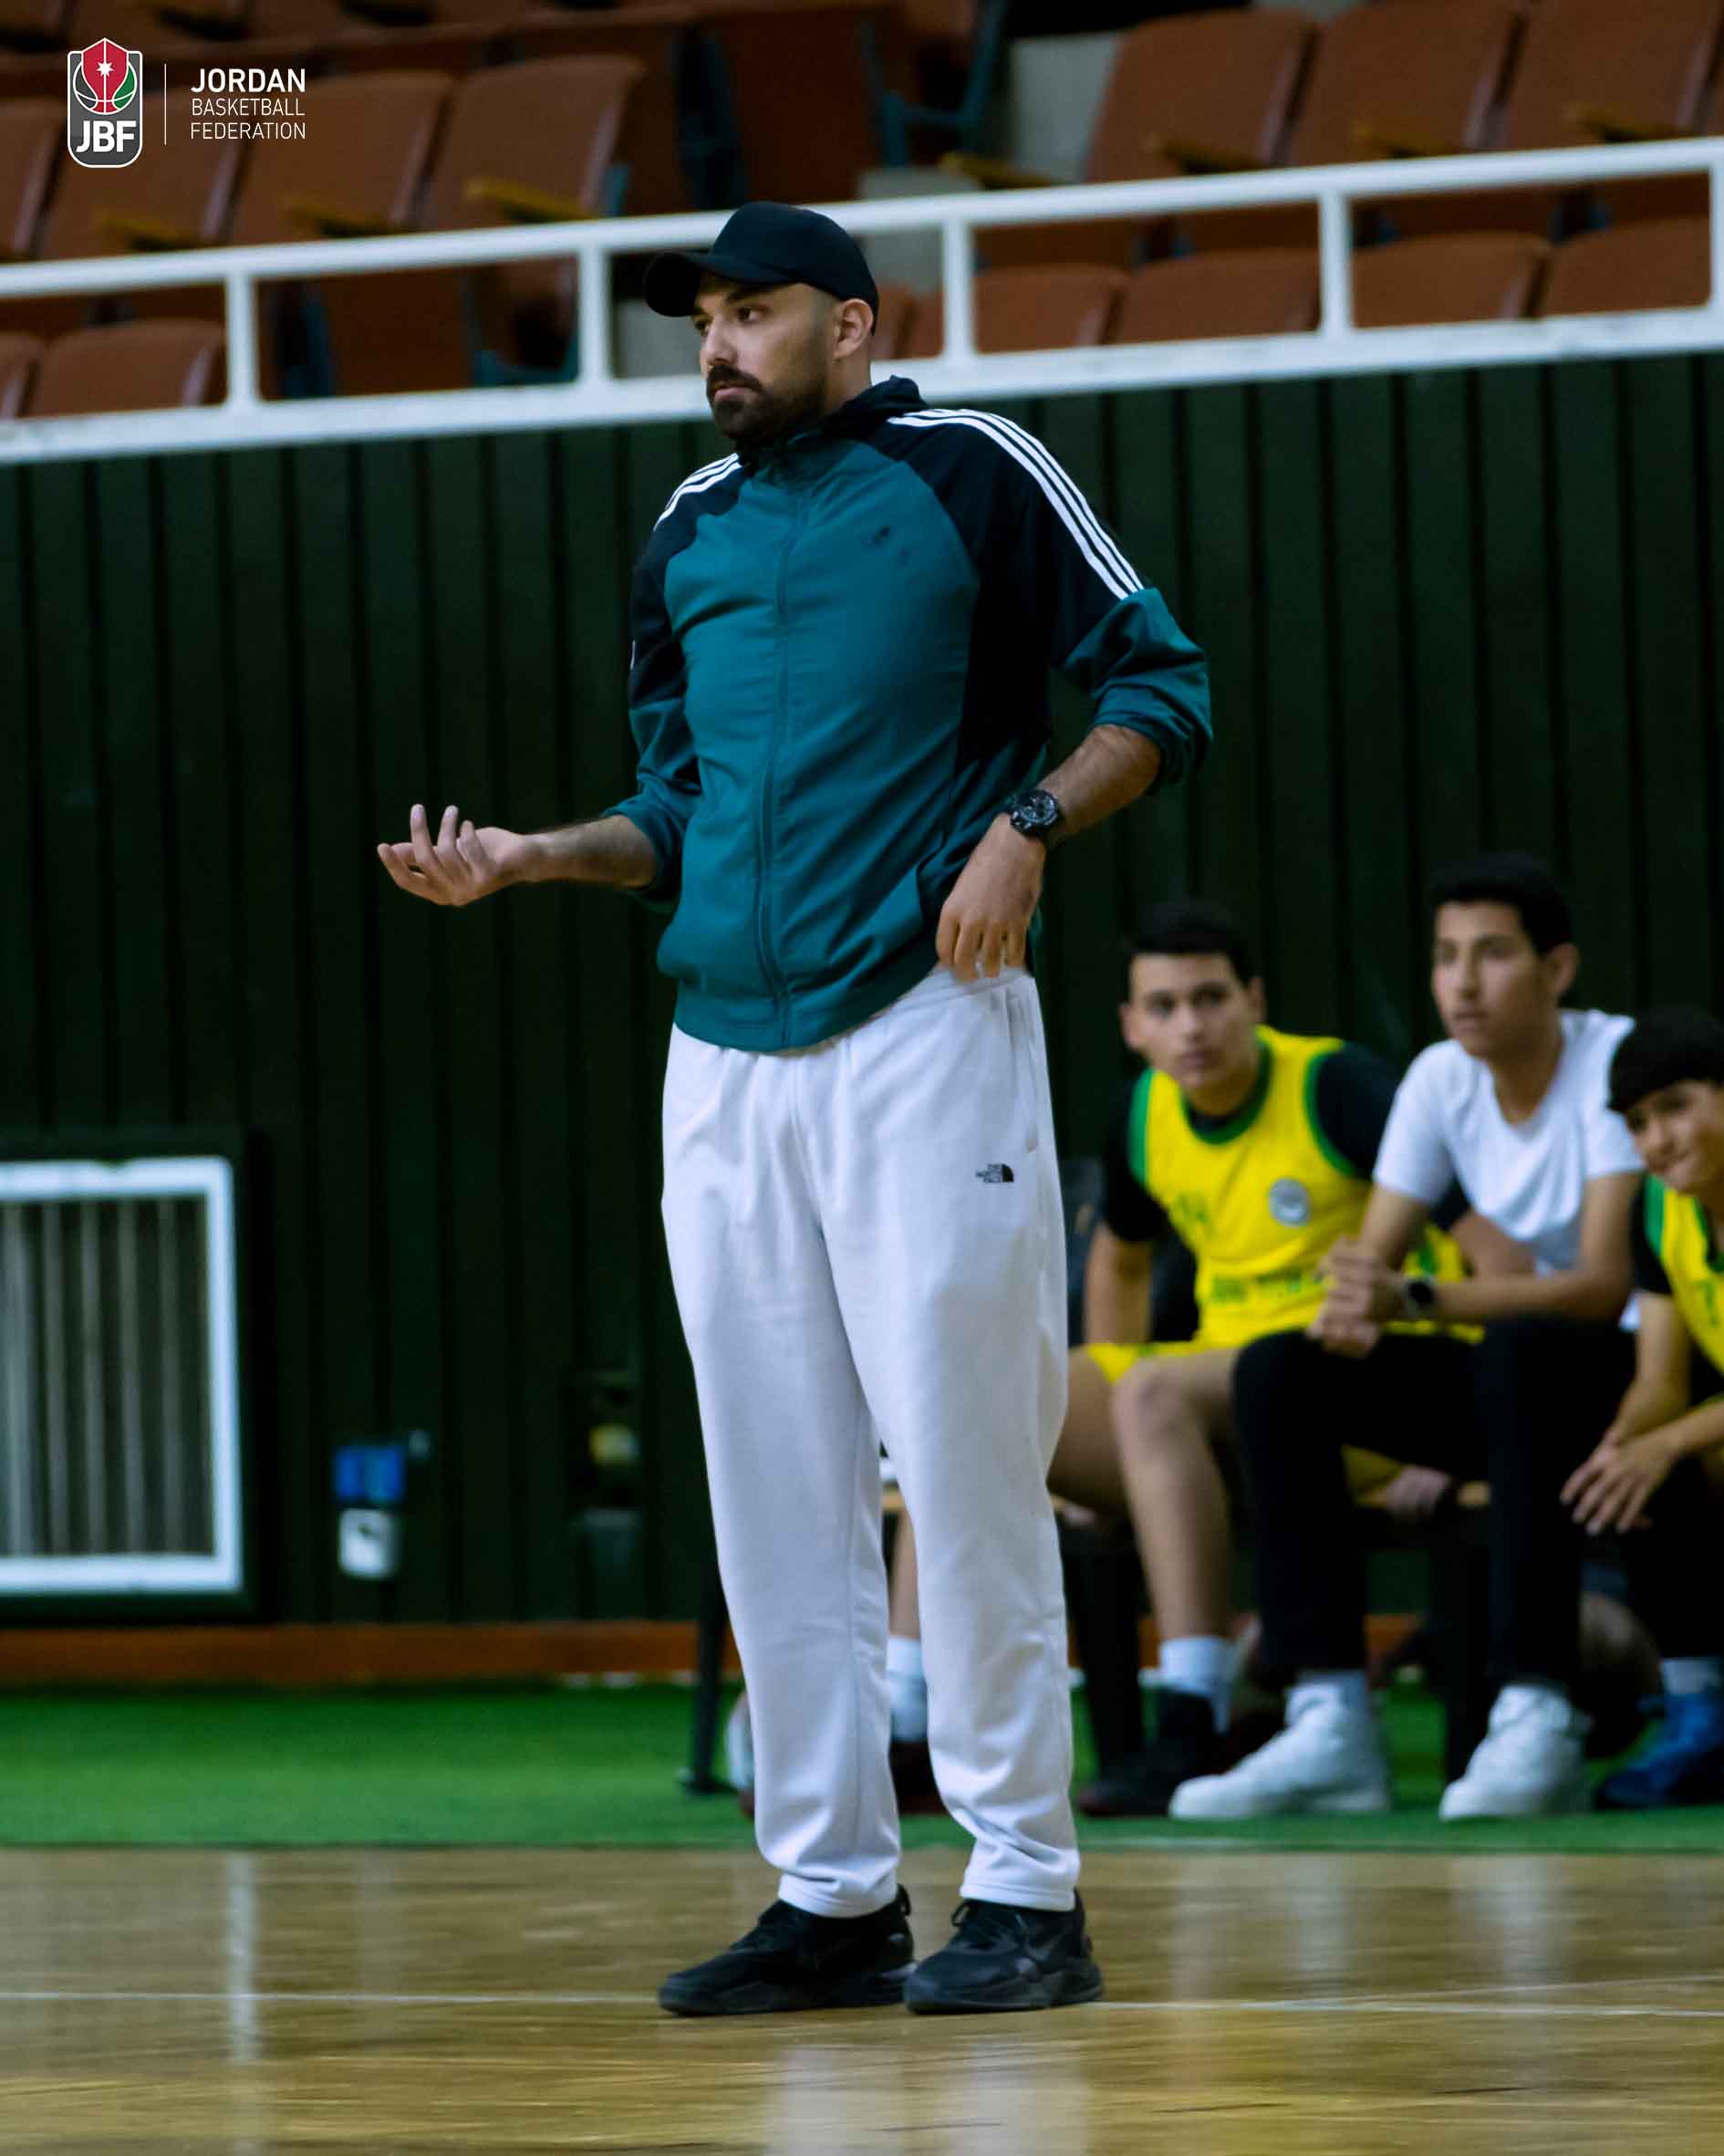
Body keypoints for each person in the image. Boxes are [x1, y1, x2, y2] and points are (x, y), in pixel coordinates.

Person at [377, 201, 1210, 2015]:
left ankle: (1028, 1887)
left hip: (925, 1023)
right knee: (771, 1482)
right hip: (722, 1059)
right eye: (704, 317)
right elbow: (676, 808)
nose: (718, 346)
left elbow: (1163, 682)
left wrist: (1029, 824)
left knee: (963, 1462)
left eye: (753, 311)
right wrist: (535, 854)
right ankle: (833, 1891)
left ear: (853, 320)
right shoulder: (687, 526)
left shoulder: (976, 469)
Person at [888, 898, 1499, 1820]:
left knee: (1150, 1395)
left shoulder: (1336, 1085)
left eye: (1211, 998)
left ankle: (1194, 1711)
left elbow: (1486, 1249)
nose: (1191, 1026)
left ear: (1255, 1000)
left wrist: (1446, 1437)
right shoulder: (1143, 1111)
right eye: (1164, 1007)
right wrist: (1084, 1415)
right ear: (1131, 1026)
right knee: (962, 1395)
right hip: (1215, 1400)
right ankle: (903, 1720)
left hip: (1355, 1391)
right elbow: (1121, 1259)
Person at [1172, 854, 1644, 1823]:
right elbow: (1371, 1269)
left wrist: (1415, 1297)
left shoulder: (1612, 1059)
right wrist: (1350, 1305)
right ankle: (1329, 1716)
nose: (1462, 983)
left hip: (1630, 1381)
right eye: (1444, 956)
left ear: (1557, 969)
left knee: (1518, 1351)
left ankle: (1539, 1713)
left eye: (1492, 954)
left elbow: (1601, 1289)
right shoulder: (1436, 1077)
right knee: (1281, 1370)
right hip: (1511, 1384)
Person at [1561, 1007, 1724, 1807]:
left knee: (1669, 1449)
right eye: (1637, 1122)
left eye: (1676, 1107)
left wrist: (1664, 1443)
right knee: (1640, 1465)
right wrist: (1620, 1446)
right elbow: (1659, 1380)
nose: (1657, 1139)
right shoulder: (1658, 1209)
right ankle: (1699, 1711)